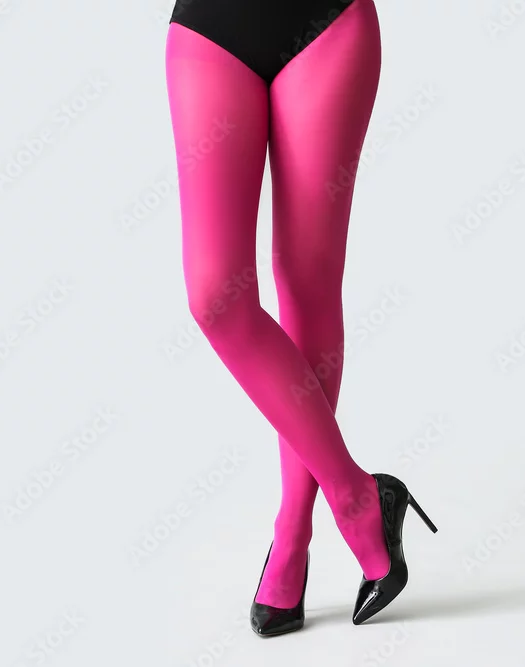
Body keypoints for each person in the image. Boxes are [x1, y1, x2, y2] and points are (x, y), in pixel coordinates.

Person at [163, 0, 438, 634]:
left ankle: (291, 537)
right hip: (210, 28)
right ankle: (357, 497)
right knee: (215, 297)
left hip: (327, 23)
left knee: (307, 285)